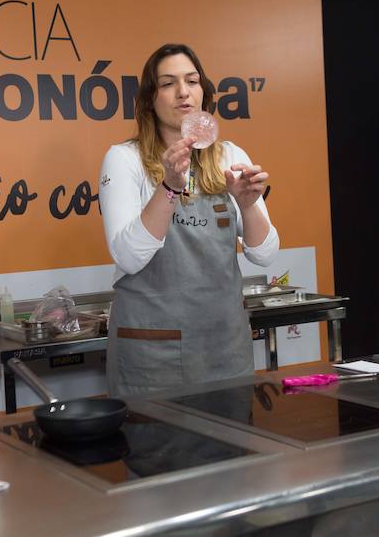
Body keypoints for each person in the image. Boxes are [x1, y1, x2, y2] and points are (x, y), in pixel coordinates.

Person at [99, 44, 280, 396]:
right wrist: (168, 187)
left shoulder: (230, 155)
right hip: (154, 353)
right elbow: (128, 256)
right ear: (150, 99)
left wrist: (247, 205)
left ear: (204, 93)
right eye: (168, 83)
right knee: (159, 448)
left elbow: (265, 253)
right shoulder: (124, 160)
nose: (183, 91)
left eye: (192, 80)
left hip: (224, 347)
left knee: (233, 448)